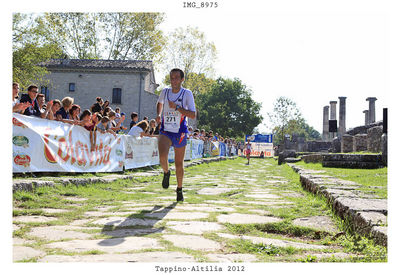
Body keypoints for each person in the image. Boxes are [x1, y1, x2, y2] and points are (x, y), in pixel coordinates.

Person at [156, 68, 196, 202]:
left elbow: (193, 114)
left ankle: (179, 189)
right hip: (165, 130)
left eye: (177, 78)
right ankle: (166, 173)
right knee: (162, 156)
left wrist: (177, 108)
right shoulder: (165, 92)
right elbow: (160, 103)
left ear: (182, 79)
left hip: (180, 131)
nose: (174, 81)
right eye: (172, 78)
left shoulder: (187, 94)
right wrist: (158, 115)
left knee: (179, 163)